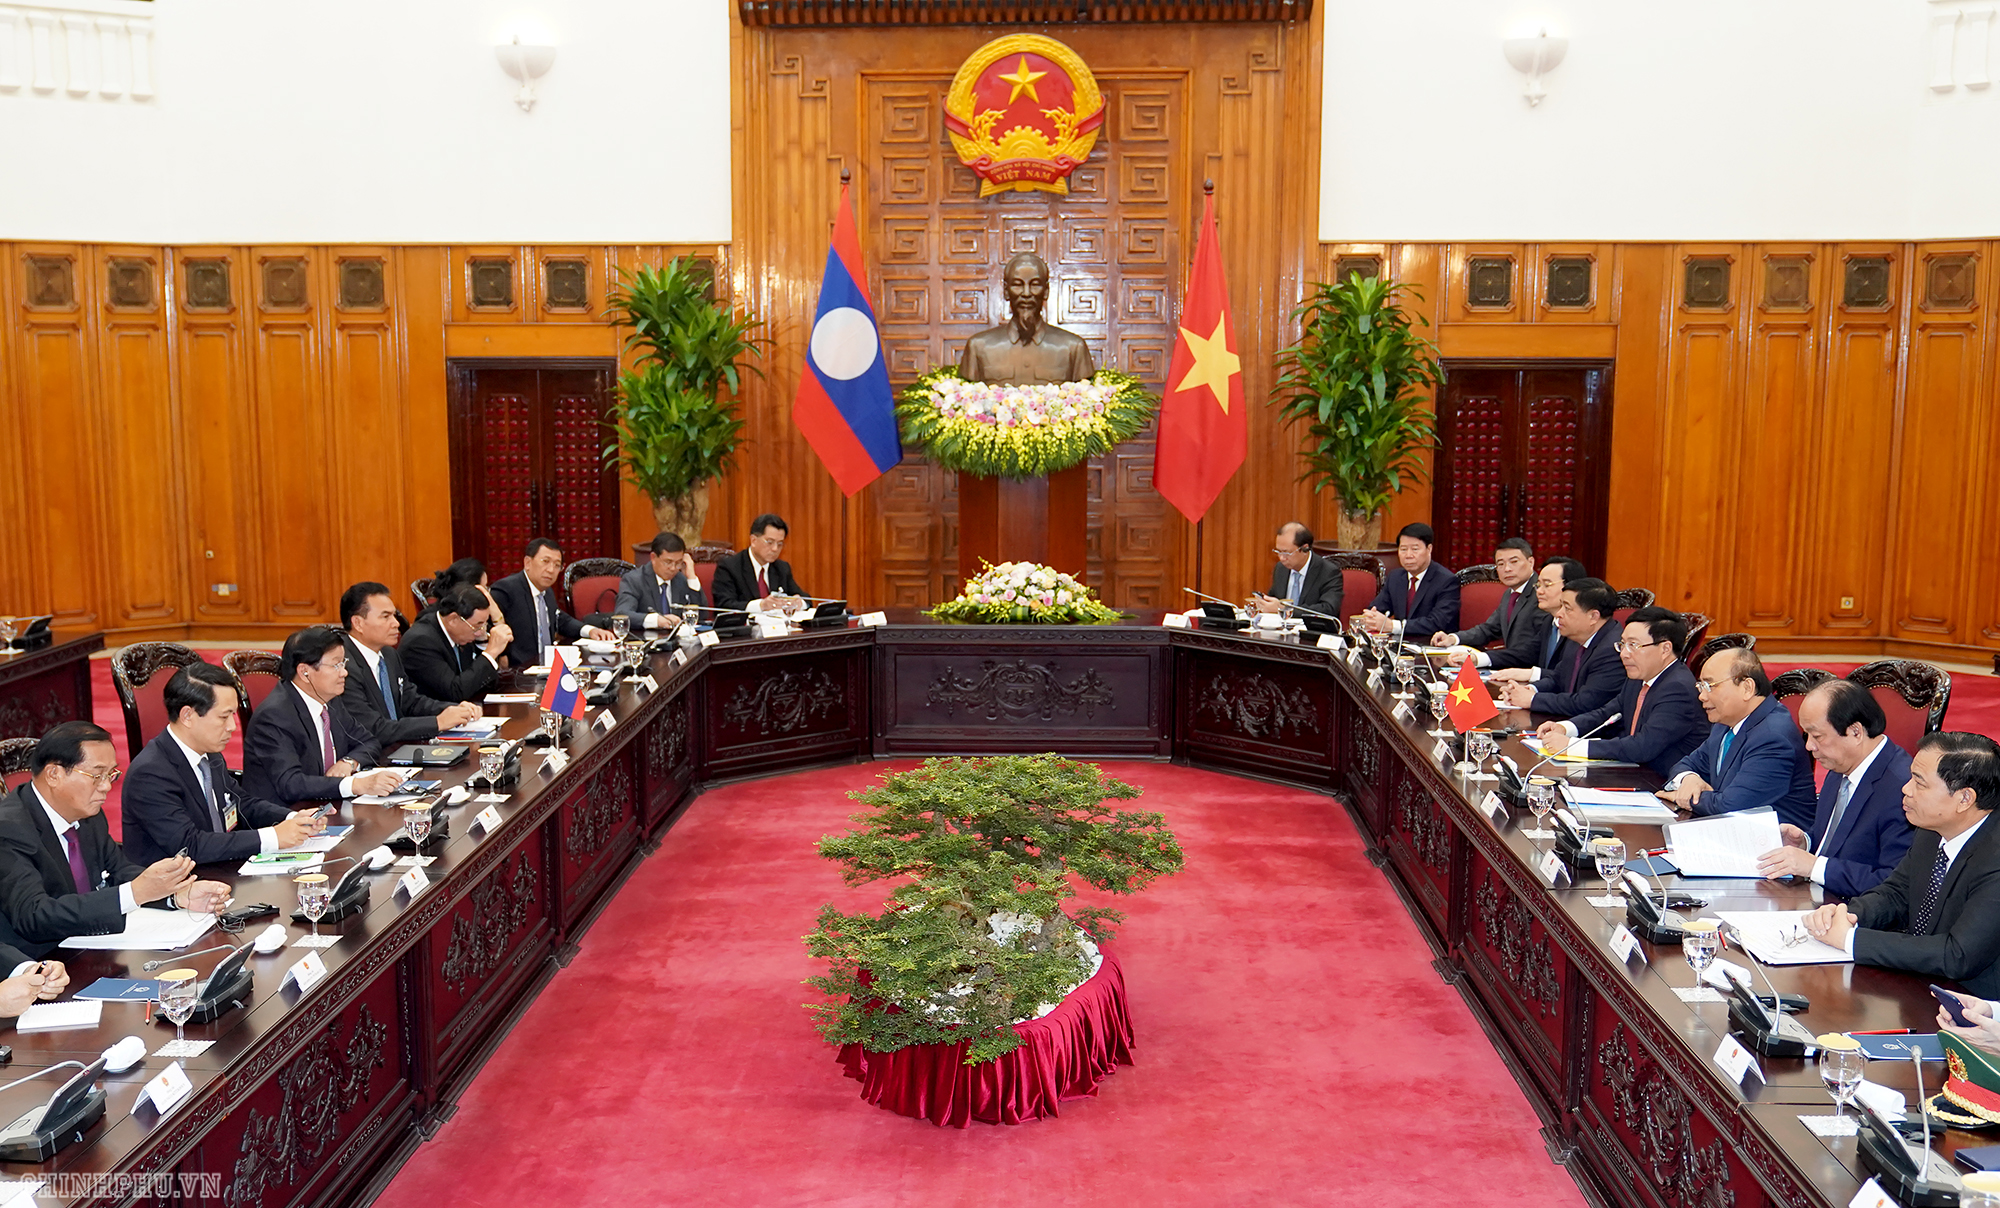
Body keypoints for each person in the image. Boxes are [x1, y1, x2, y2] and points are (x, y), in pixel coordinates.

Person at [0, 722, 229, 957]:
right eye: (97, 775)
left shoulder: (88, 814)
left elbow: (118, 871)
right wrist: (135, 893)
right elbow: (34, 915)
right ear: (53, 775)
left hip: (92, 945)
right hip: (42, 960)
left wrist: (175, 894)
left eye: (110, 774)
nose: (106, 786)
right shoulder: (8, 829)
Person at [1805, 732, 2000, 998]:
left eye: (1919, 783)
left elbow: (1958, 955)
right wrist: (1847, 915)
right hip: (1920, 982)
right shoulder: (1931, 829)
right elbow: (1897, 893)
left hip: (1975, 1002)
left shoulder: (1994, 858)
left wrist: (1851, 940)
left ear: (1964, 799)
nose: (1906, 789)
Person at [122, 662, 324, 867]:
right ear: (187, 716)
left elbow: (241, 803)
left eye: (233, 715)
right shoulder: (150, 774)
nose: (232, 726)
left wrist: (292, 818)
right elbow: (189, 845)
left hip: (219, 868)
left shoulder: (210, 754)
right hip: (180, 882)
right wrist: (273, 837)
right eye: (223, 716)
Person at [1756, 679, 1916, 895]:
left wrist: (1814, 867)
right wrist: (1804, 842)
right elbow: (1838, 840)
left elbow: (1893, 884)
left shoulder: (1903, 789)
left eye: (1817, 736)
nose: (1809, 746)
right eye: (1807, 735)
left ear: (1855, 732)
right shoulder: (1841, 765)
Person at [1533, 606, 1705, 776]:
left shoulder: (1678, 689)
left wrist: (1571, 746)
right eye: (1623, 644)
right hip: (1632, 772)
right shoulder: (1639, 677)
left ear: (1665, 649)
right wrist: (1566, 728)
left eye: (1633, 645)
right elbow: (1608, 714)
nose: (1624, 654)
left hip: (1659, 781)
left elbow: (1642, 747)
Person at [241, 627, 405, 805]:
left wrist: (348, 762)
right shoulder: (274, 716)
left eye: (343, 663)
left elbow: (368, 741)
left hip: (326, 804)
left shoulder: (330, 700)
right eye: (336, 665)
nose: (344, 672)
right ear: (305, 672)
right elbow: (291, 784)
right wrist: (354, 785)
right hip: (288, 813)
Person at [1657, 648, 1817, 829]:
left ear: (1747, 688)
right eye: (1701, 687)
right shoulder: (1724, 724)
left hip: (1774, 840)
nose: (1702, 696)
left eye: (1710, 686)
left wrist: (1684, 797)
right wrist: (1689, 779)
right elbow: (1685, 764)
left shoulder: (1773, 737)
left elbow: (1731, 806)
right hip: (1732, 830)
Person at [337, 582, 483, 746]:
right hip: (369, 753)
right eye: (385, 617)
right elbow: (374, 728)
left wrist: (453, 709)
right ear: (358, 623)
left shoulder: (389, 654)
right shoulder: (342, 666)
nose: (396, 623)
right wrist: (437, 722)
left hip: (397, 746)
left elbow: (410, 701)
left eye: (394, 616)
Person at [958, 251, 1096, 386]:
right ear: (1006, 291)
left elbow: (1085, 396)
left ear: (1046, 291)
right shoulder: (978, 347)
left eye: (1035, 284)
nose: (1026, 293)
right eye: (1017, 285)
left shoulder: (1073, 348)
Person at [1495, 577, 1624, 719]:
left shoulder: (1612, 650)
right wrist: (1529, 690)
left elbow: (1586, 703)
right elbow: (1557, 678)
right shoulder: (1577, 637)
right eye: (1561, 606)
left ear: (1593, 616)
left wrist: (1532, 699)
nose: (1558, 614)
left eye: (1567, 608)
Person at [488, 537, 612, 669]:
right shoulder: (506, 590)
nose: (551, 570)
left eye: (557, 565)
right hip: (520, 669)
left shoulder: (547, 592)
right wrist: (502, 657)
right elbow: (489, 628)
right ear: (527, 563)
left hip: (547, 666)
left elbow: (558, 618)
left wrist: (590, 630)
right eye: (545, 562)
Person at [1458, 556, 1586, 674]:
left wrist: (1530, 675)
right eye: (1538, 585)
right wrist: (1476, 659)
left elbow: (1567, 676)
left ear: (1571, 587)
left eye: (1547, 585)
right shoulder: (1550, 621)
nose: (1539, 591)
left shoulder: (1581, 628)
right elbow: (1525, 654)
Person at [1432, 538, 1547, 668]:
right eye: (1501, 564)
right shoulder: (1509, 594)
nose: (1507, 569)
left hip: (1531, 670)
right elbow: (1489, 629)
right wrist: (1453, 638)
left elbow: (1533, 650)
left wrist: (1479, 659)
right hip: (1511, 665)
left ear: (1531, 562)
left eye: (1514, 562)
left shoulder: (1542, 595)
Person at [401, 585, 511, 703]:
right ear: (453, 620)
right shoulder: (421, 642)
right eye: (477, 625)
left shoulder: (462, 632)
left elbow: (484, 684)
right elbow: (455, 692)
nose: (480, 632)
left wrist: (482, 643)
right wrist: (490, 653)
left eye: (484, 624)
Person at [1355, 523, 1458, 640]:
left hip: (1433, 645)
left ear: (1429, 549)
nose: (1408, 555)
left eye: (1415, 549)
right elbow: (1377, 608)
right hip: (1399, 645)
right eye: (1403, 549)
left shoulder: (1446, 581)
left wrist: (1392, 626)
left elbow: (1436, 623)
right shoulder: (1395, 577)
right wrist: (1370, 617)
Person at [1249, 522, 1342, 627]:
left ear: (1305, 549)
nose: (1281, 558)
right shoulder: (1281, 569)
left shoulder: (1328, 572)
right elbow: (1274, 598)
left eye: (1286, 553)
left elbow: (1328, 609)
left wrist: (1284, 609)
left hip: (1311, 632)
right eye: (1278, 551)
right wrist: (1265, 603)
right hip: (1281, 630)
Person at [713, 515, 807, 615]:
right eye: (770, 542)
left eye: (780, 544)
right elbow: (724, 605)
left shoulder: (782, 568)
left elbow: (806, 599)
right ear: (753, 540)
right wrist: (761, 605)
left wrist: (799, 602)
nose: (775, 549)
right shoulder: (729, 567)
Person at [615, 532, 707, 632]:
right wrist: (656, 620)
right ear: (653, 558)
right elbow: (622, 614)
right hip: (647, 639)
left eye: (678, 562)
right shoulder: (635, 580)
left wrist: (692, 577)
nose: (673, 568)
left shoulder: (680, 579)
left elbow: (702, 616)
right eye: (668, 562)